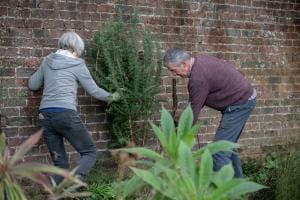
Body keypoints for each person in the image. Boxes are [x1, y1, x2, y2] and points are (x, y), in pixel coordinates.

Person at [28, 31, 120, 184]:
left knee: (60, 165)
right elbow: (95, 91)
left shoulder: (47, 61)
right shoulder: (78, 64)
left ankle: (54, 186)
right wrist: (114, 96)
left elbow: (33, 85)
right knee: (89, 152)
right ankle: (74, 183)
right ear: (76, 49)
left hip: (45, 117)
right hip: (65, 116)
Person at [164, 48, 256, 177]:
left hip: (239, 104)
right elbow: (194, 105)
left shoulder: (197, 78)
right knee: (227, 146)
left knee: (218, 152)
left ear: (184, 64)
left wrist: (179, 139)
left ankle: (226, 193)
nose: (174, 75)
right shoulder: (200, 61)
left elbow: (192, 115)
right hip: (243, 98)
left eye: (174, 70)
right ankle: (238, 189)